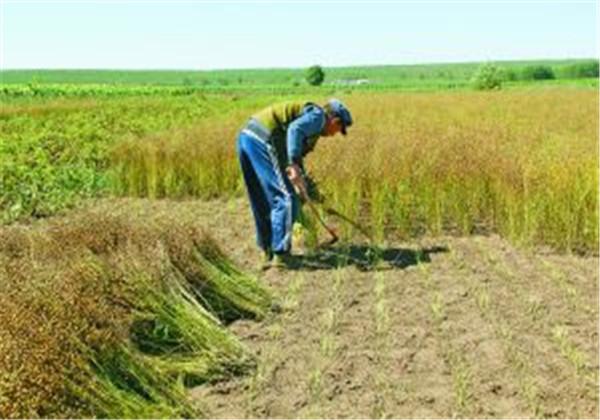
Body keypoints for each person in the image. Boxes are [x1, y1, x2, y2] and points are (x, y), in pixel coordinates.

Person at [236, 98, 353, 269]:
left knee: (262, 199)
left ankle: (267, 249)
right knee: (286, 198)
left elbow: (294, 156)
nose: (334, 134)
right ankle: (282, 255)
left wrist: (310, 191)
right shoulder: (318, 116)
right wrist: (293, 165)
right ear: (334, 120)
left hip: (247, 137)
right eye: (338, 129)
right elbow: (294, 131)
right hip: (264, 139)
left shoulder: (309, 125)